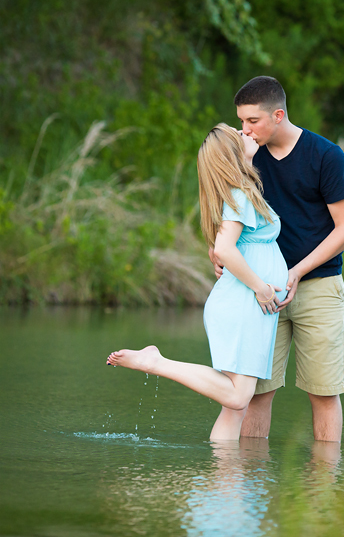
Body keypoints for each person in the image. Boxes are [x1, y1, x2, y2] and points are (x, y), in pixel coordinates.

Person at [107, 124, 289, 441]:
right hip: (245, 303)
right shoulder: (240, 194)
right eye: (239, 134)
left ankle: (226, 483)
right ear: (231, 152)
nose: (246, 132)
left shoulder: (241, 191)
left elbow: (223, 248)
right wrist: (261, 287)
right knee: (237, 397)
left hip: (249, 307)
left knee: (235, 410)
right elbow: (224, 249)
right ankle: (156, 362)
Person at [211, 76, 344, 443]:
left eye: (252, 122)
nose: (244, 130)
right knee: (255, 393)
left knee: (323, 392)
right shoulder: (246, 157)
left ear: (278, 115)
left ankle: (322, 491)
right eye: (241, 121)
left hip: (318, 287)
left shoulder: (325, 156)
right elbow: (230, 218)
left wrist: (297, 271)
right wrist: (217, 254)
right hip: (259, 293)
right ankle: (248, 489)